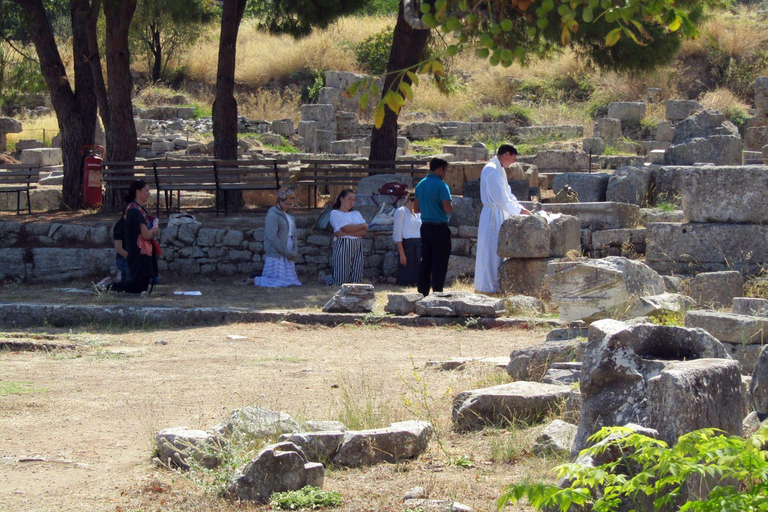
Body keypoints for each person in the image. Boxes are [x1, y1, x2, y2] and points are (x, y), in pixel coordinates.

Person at [474, 144, 531, 294]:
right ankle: (487, 287)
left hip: (500, 213)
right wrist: (519, 211)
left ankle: (497, 286)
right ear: (506, 154)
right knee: (490, 251)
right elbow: (500, 199)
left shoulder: (500, 170)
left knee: (498, 252)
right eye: (512, 157)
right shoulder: (491, 170)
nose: (513, 161)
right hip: (492, 214)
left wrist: (520, 208)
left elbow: (508, 195)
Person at [105, 180, 161, 294]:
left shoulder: (140, 210)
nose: (149, 193)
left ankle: (110, 288)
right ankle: (109, 288)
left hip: (140, 254)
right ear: (138, 192)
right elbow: (145, 234)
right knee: (136, 285)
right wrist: (154, 230)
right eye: (146, 190)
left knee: (142, 284)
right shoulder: (134, 211)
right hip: (136, 254)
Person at [414, 157, 452, 297]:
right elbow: (447, 208)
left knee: (426, 261)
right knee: (440, 261)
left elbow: (416, 209)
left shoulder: (420, 185)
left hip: (425, 227)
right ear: (440, 169)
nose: (445, 174)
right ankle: (437, 292)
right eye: (445, 170)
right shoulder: (442, 186)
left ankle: (422, 292)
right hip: (439, 227)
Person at [255, 188, 302, 287]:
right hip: (277, 252)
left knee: (290, 282)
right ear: (280, 201)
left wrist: (294, 250)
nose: (289, 206)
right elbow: (272, 237)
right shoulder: (272, 215)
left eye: (291, 204)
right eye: (287, 204)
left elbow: (293, 233)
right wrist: (286, 253)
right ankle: (254, 280)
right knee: (276, 282)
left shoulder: (289, 215)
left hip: (288, 249)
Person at [329, 189, 367, 285]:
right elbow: (347, 228)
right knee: (341, 277)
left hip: (357, 244)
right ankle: (326, 279)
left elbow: (364, 231)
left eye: (353, 200)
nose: (351, 202)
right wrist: (360, 226)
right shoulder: (335, 213)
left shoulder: (356, 213)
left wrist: (346, 233)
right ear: (341, 199)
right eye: (349, 199)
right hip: (344, 244)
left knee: (356, 274)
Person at [392, 190, 422, 286]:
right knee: (406, 279)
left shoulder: (418, 213)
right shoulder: (401, 211)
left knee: (417, 278)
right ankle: (389, 280)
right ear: (410, 200)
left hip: (418, 244)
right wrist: (402, 254)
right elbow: (398, 235)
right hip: (407, 245)